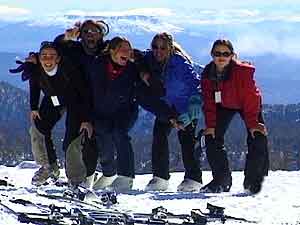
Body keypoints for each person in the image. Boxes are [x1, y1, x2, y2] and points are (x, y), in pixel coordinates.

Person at [87, 36, 178, 192]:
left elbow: (145, 97)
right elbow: (87, 93)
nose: (127, 54)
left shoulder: (132, 70)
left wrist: (169, 116)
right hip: (102, 113)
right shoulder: (98, 66)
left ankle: (126, 176)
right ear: (112, 51)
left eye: (129, 50)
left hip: (125, 112)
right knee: (102, 134)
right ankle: (109, 173)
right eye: (123, 50)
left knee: (119, 133)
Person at [136, 32, 203, 192]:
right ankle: (160, 178)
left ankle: (193, 179)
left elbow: (195, 84)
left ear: (170, 49)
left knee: (186, 140)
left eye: (163, 48)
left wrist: (193, 107)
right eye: (155, 47)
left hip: (186, 107)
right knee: (159, 136)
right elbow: (136, 55)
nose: (158, 51)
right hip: (167, 107)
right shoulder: (150, 59)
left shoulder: (179, 62)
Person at [200, 39, 269, 194]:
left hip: (248, 104)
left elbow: (251, 98)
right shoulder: (207, 74)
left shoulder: (242, 72)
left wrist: (253, 124)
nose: (221, 57)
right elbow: (209, 102)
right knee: (211, 137)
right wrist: (210, 125)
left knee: (257, 135)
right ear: (212, 55)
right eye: (217, 53)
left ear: (232, 55)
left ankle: (253, 180)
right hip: (223, 104)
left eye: (225, 53)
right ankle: (221, 180)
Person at [29, 41, 92, 186]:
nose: (47, 59)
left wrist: (86, 118)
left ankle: (76, 179)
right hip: (53, 99)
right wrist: (34, 107)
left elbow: (84, 92)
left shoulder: (69, 69)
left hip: (75, 101)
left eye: (52, 55)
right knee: (38, 127)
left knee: (72, 138)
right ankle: (48, 167)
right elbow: (34, 86)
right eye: (44, 55)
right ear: (39, 58)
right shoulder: (36, 69)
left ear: (58, 58)